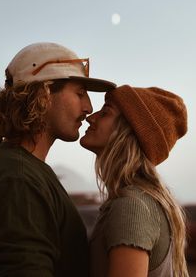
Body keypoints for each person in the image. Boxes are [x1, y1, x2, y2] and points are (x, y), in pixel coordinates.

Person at [0, 42, 116, 277]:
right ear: (44, 94)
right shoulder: (16, 178)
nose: (88, 107)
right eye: (80, 93)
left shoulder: (23, 170)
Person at [80, 85, 189, 277]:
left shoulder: (132, 207)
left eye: (105, 112)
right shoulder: (139, 201)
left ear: (127, 133)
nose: (91, 117)